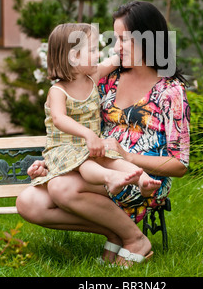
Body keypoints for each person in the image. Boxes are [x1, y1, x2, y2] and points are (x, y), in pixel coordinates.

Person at [16, 1, 190, 267]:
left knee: (62, 188)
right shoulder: (107, 79)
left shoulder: (171, 92)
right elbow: (70, 120)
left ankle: (135, 240)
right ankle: (116, 232)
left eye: (124, 39)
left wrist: (128, 157)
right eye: (115, 38)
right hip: (91, 164)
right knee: (28, 202)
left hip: (142, 177)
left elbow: (179, 165)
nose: (116, 47)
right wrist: (53, 162)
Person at [32, 22, 162, 199]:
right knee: (86, 163)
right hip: (64, 150)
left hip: (91, 146)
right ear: (74, 57)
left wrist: (139, 46)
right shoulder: (57, 91)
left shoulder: (92, 77)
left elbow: (115, 60)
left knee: (112, 158)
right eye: (92, 50)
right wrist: (88, 134)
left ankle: (143, 181)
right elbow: (59, 118)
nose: (99, 54)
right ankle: (110, 178)